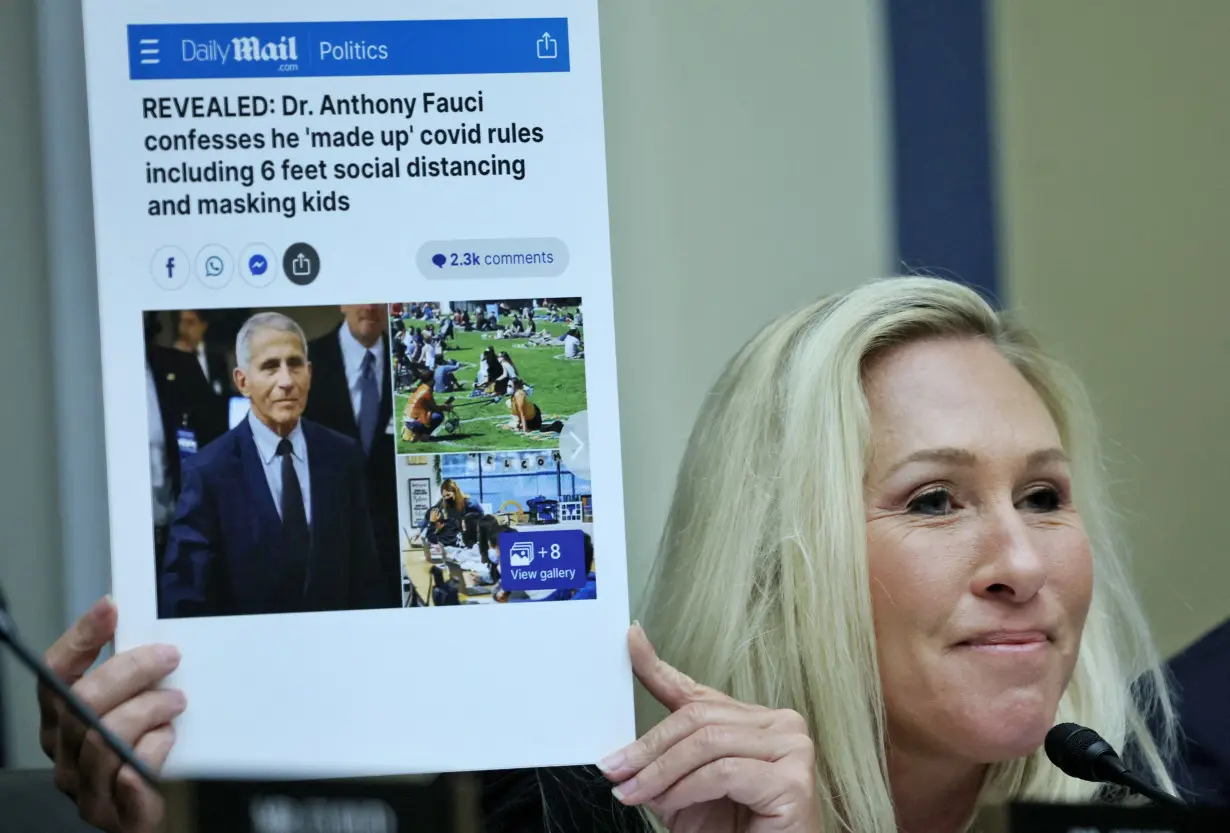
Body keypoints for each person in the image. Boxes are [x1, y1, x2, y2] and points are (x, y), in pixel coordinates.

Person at [37, 277, 1194, 832]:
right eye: (936, 499)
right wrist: (171, 819)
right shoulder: (574, 816)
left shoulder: (1150, 804)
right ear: (781, 561)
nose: (1020, 560)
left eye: (1044, 495)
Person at [159, 312, 392, 618]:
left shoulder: (342, 456)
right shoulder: (209, 471)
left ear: (308, 373)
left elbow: (365, 575)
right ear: (242, 381)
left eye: (294, 365)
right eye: (270, 367)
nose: (286, 381)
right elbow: (186, 595)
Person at [301, 304, 403, 608]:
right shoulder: (305, 360)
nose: (370, 306)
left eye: (378, 297)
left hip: (393, 550)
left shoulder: (410, 359)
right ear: (342, 302)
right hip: (324, 543)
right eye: (361, 295)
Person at [171, 309, 230, 398]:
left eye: (190, 322)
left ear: (203, 326)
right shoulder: (170, 357)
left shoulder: (216, 357)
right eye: (181, 322)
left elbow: (225, 393)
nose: (183, 329)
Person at [416, 479, 483, 547]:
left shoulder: (469, 503)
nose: (446, 498)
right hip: (453, 540)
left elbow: (482, 516)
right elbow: (431, 512)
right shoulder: (444, 502)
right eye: (444, 496)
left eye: (448, 495)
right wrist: (419, 530)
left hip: (467, 539)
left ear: (455, 492)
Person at [401, 369, 452, 443]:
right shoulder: (427, 391)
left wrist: (443, 407)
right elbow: (435, 408)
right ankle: (423, 436)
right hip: (414, 422)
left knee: (431, 414)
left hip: (407, 419)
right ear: (431, 380)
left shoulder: (420, 387)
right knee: (438, 416)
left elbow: (430, 407)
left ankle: (413, 433)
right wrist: (445, 407)